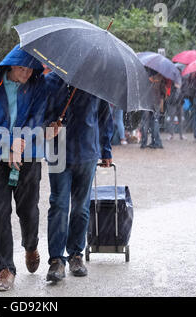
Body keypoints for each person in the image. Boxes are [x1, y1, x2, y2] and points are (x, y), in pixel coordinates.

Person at [0, 45, 47, 292]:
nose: (27, 73)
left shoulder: (38, 85)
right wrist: (7, 141)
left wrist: (19, 145)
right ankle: (5, 269)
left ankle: (31, 245)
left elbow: (37, 118)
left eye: (30, 69)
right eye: (21, 68)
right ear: (9, 67)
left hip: (28, 153)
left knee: (28, 209)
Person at [44, 72, 114, 282]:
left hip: (87, 151)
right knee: (58, 204)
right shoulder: (51, 82)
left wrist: (106, 150)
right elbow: (40, 112)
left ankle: (76, 254)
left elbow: (104, 117)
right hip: (58, 151)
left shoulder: (95, 82)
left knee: (81, 207)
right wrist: (48, 124)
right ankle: (56, 260)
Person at [141, 71, 165, 149]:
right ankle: (155, 142)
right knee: (155, 122)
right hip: (156, 102)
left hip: (146, 102)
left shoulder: (145, 77)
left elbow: (141, 90)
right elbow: (163, 93)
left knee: (145, 122)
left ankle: (144, 143)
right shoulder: (161, 78)